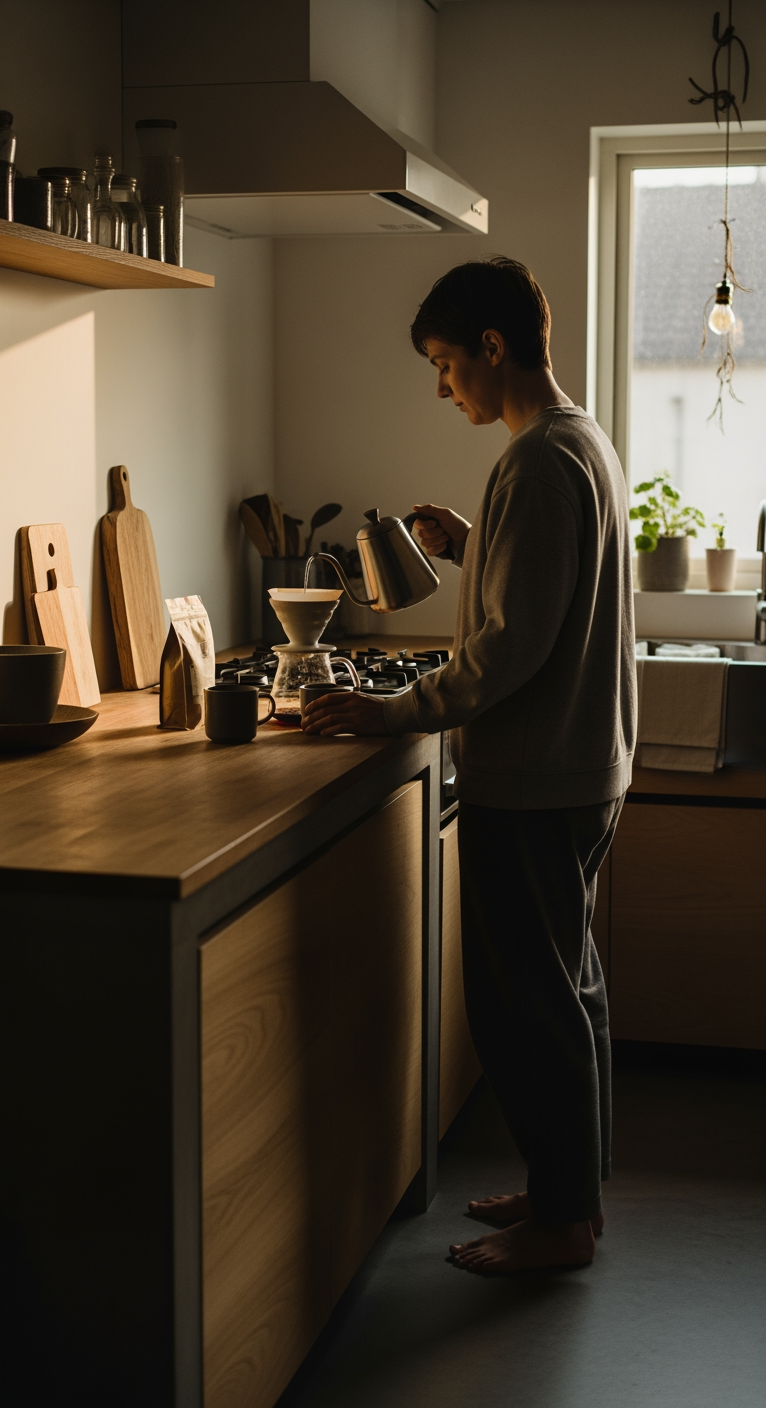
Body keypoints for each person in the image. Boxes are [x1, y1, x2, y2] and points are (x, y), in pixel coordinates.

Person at [302, 257, 636, 1274]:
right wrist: (472, 535)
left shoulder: (534, 462)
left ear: (494, 348)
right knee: (567, 988)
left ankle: (564, 1224)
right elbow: (541, 584)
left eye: (448, 363)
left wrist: (391, 707)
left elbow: (504, 651)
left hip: (533, 782)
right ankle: (570, 1194)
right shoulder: (579, 442)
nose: (443, 386)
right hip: (585, 770)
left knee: (525, 1001)